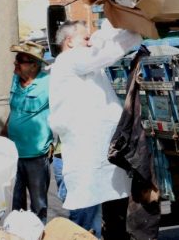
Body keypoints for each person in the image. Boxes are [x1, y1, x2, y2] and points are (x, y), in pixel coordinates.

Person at [48, 20, 142, 239]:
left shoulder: (78, 62)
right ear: (70, 42)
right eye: (85, 38)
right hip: (88, 160)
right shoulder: (71, 60)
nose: (90, 43)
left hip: (99, 158)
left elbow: (103, 40)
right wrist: (138, 32)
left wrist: (120, 21)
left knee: (110, 220)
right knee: (85, 227)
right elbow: (104, 52)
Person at [1, 40, 53, 223]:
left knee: (39, 206)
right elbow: (15, 109)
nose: (15, 64)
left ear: (34, 65)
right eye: (16, 59)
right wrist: (3, 133)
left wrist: (56, 142)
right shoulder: (16, 79)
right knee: (15, 205)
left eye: (20, 60)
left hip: (36, 156)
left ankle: (39, 232)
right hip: (13, 153)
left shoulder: (48, 83)